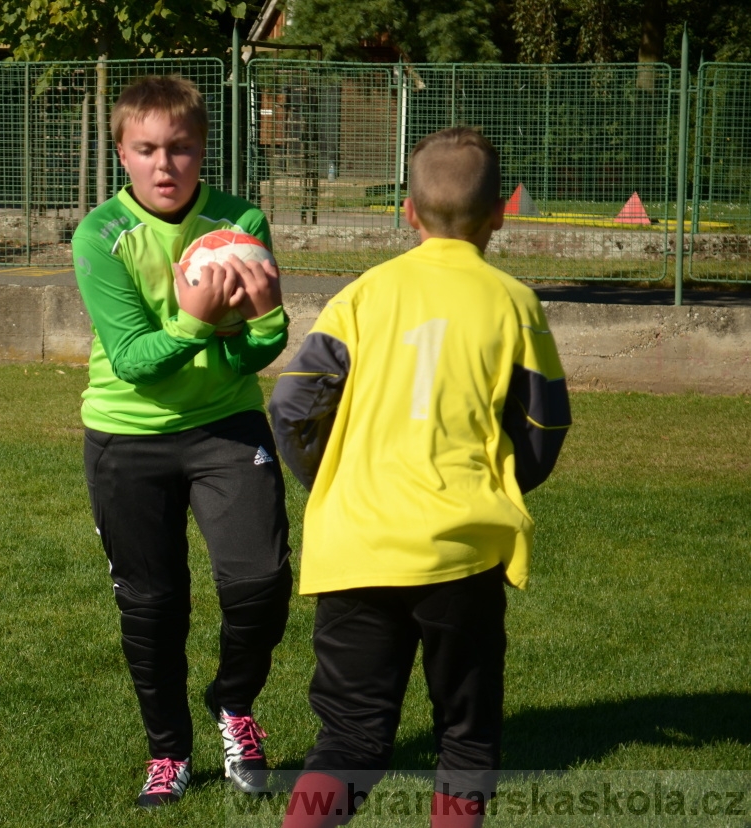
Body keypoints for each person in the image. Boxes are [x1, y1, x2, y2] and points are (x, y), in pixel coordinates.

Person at [268, 127, 571, 828]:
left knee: (349, 737)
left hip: (356, 544)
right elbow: (547, 426)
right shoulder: (514, 303)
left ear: (407, 211)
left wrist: (334, 481)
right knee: (465, 738)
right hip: (460, 550)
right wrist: (500, 484)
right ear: (502, 211)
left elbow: (291, 405)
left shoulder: (362, 296)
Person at [70, 74, 293, 808]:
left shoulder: (240, 222)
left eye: (182, 149)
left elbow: (249, 353)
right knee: (152, 604)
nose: (165, 165)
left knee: (260, 582)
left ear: (203, 150)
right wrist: (199, 319)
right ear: (123, 155)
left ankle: (234, 703)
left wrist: (263, 326)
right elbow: (133, 361)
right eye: (148, 149)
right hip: (126, 437)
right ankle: (167, 751)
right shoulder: (101, 235)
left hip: (225, 426)